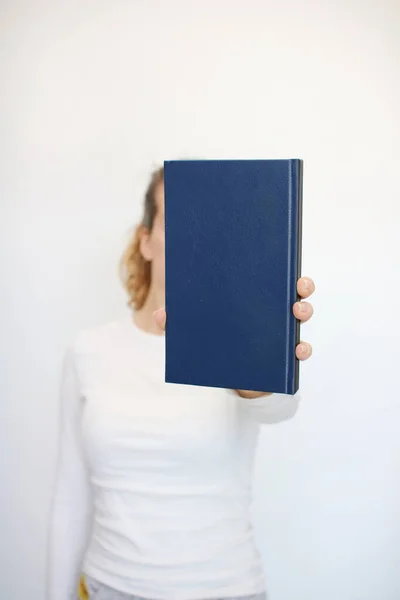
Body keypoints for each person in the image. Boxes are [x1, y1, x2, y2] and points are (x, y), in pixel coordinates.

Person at [48, 165, 315, 600]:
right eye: (181, 219)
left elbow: (278, 408)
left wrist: (261, 359)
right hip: (107, 587)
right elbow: (70, 497)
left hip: (226, 590)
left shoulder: (236, 343)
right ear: (146, 239)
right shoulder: (88, 351)